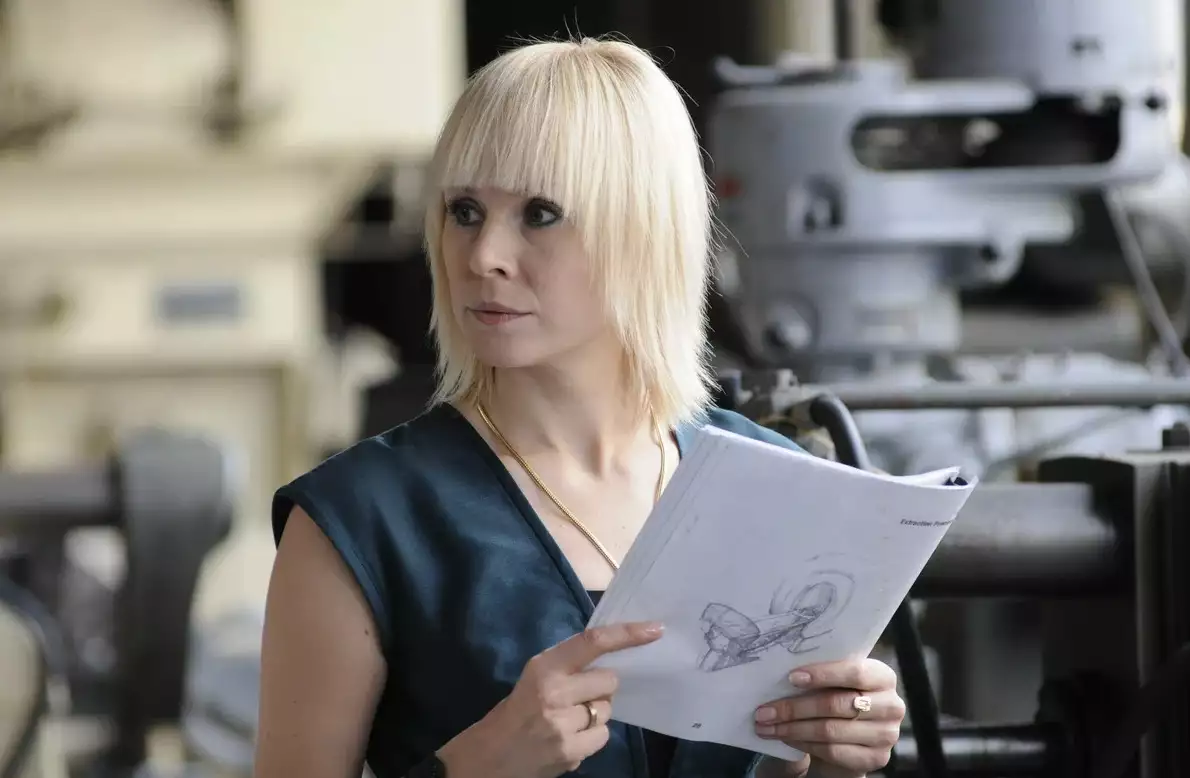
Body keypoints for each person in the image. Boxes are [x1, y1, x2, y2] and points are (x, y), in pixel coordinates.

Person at [254, 37, 906, 778]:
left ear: (644, 229)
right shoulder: (357, 522)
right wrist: (477, 765)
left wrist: (837, 755)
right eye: (464, 210)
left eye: (540, 213)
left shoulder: (780, 488)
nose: (483, 256)